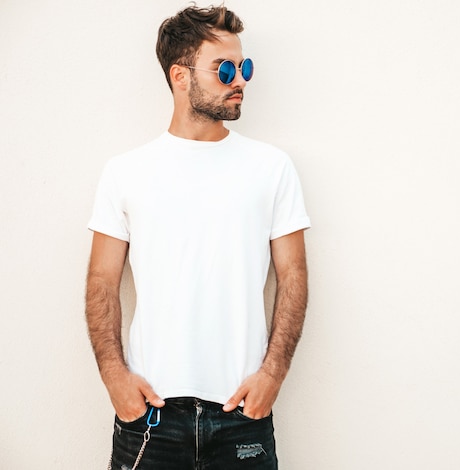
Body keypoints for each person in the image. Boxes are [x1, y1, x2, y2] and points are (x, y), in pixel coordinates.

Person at [85, 5, 310, 469]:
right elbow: (101, 282)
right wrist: (114, 378)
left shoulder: (271, 168)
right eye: (225, 68)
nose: (240, 80)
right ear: (180, 76)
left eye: (244, 67)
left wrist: (273, 375)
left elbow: (294, 276)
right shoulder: (125, 172)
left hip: (241, 412)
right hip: (150, 413)